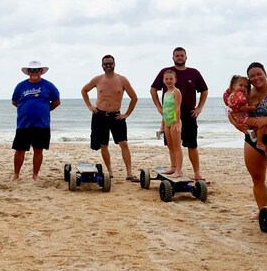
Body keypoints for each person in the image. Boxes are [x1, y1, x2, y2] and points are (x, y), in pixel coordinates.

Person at [227, 62, 267, 216]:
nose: (256, 78)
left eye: (259, 74)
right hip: (252, 139)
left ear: (265, 73)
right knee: (257, 179)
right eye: (252, 76)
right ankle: (262, 211)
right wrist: (237, 125)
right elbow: (232, 112)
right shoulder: (245, 94)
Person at [150, 47, 208, 180]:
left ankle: (197, 173)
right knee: (171, 145)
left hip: (189, 114)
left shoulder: (194, 73)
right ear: (173, 57)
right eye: (177, 55)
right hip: (170, 116)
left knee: (191, 145)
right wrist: (159, 107)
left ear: (186, 57)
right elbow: (153, 89)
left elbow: (204, 90)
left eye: (182, 55)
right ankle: (174, 167)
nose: (179, 57)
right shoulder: (165, 73)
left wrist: (199, 108)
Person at [81, 54, 138, 181]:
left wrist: (127, 114)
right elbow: (84, 90)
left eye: (110, 63)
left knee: (123, 143)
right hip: (100, 116)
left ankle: (129, 173)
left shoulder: (122, 80)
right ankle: (110, 171)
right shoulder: (97, 79)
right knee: (103, 145)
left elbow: (134, 98)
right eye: (105, 63)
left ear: (114, 64)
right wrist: (90, 106)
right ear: (102, 65)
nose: (108, 65)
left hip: (116, 116)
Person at [11, 60, 61, 180]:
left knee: (38, 150)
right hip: (23, 124)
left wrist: (44, 110)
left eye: (37, 70)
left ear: (41, 71)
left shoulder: (48, 85)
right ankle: (16, 174)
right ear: (28, 72)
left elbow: (56, 102)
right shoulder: (21, 86)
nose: (34, 72)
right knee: (19, 150)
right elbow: (14, 101)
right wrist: (25, 110)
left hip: (42, 124)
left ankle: (35, 175)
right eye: (32, 70)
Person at [224, 75, 265, 152]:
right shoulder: (238, 95)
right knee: (261, 124)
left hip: (239, 118)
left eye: (245, 87)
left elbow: (230, 110)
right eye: (241, 85)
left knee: (253, 127)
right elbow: (242, 108)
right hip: (243, 118)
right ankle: (259, 142)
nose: (243, 88)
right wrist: (252, 108)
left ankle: (252, 134)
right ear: (233, 86)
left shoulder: (230, 95)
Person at [156, 69, 183, 177]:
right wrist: (162, 124)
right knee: (170, 146)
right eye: (166, 79)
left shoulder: (176, 91)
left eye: (171, 79)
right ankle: (173, 167)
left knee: (177, 147)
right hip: (166, 122)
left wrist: (177, 122)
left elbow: (177, 108)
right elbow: (164, 110)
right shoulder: (166, 93)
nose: (169, 81)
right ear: (163, 80)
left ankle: (178, 170)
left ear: (175, 79)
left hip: (174, 122)